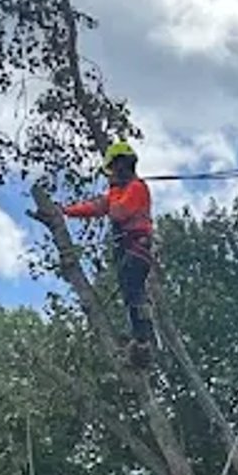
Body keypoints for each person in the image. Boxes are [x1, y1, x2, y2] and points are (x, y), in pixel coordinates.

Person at [62, 140, 156, 356]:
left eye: (114, 168)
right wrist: (66, 211)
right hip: (127, 249)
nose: (111, 173)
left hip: (136, 247)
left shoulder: (136, 188)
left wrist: (113, 190)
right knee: (129, 294)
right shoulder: (121, 191)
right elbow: (95, 207)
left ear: (122, 165)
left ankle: (144, 341)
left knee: (134, 292)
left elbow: (118, 212)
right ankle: (139, 338)